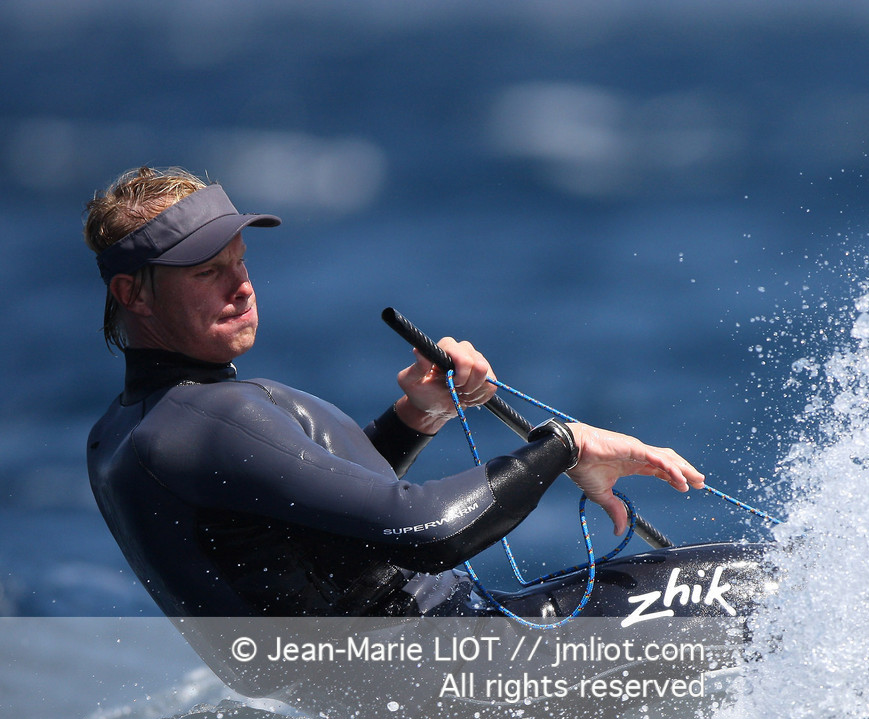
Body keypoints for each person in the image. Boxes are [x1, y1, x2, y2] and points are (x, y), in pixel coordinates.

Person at [85, 166, 704, 617]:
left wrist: (417, 416)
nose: (242, 287)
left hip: (390, 702)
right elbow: (424, 531)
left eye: (241, 262)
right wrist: (564, 446)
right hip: (484, 683)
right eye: (207, 272)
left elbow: (313, 535)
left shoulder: (123, 433)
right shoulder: (208, 418)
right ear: (130, 295)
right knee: (766, 583)